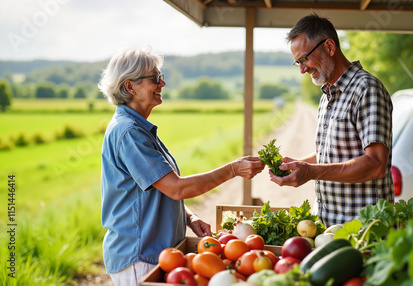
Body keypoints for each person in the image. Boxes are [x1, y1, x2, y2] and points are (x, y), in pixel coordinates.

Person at [98, 47, 265, 285]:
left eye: (161, 77)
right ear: (130, 87)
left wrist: (190, 216)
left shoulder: (139, 128)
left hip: (156, 252)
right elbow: (176, 188)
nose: (162, 83)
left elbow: (159, 188)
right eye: (155, 78)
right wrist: (232, 170)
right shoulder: (129, 133)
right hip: (139, 255)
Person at [269, 13, 394, 227]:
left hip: (364, 231)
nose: (302, 69)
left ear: (329, 47)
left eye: (304, 59)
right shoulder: (327, 94)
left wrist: (311, 173)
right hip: (331, 226)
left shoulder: (366, 89)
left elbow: (375, 165)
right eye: (297, 62)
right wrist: (297, 165)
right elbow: (334, 153)